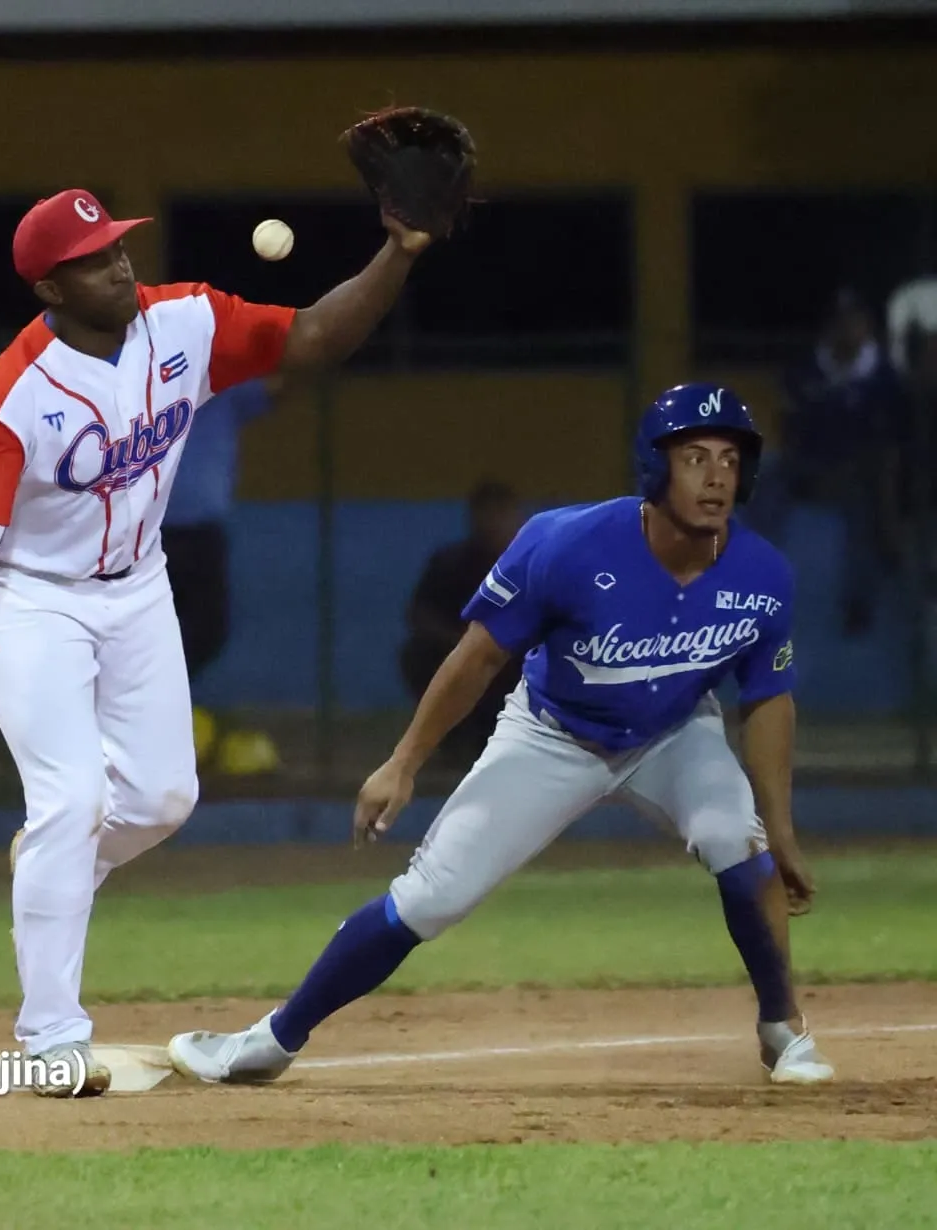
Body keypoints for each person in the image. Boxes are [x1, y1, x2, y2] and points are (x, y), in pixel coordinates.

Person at [168, 383, 835, 1089]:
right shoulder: (566, 543)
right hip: (552, 736)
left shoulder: (764, 575)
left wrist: (781, 831)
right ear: (655, 466)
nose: (716, 475)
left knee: (737, 839)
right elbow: (477, 658)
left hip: (675, 734)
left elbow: (768, 701)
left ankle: (783, 1028)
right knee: (429, 898)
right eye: (695, 457)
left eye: (730, 458)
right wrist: (403, 762)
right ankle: (270, 1041)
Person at [0, 187, 438, 1097]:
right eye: (93, 260)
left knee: (164, 798)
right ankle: (51, 1036)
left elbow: (313, 338)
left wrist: (398, 253)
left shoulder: (185, 322)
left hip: (138, 587)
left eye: (117, 246)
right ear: (49, 288)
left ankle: (54, 863)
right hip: (34, 601)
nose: (118, 264)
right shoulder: (12, 391)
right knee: (71, 797)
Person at [750, 288, 904, 635]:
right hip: (808, 465)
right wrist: (807, 469)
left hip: (859, 472)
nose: (847, 329)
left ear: (868, 327)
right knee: (767, 483)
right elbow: (788, 428)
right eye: (840, 322)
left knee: (865, 511)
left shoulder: (883, 376)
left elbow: (887, 447)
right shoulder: (805, 369)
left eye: (855, 321)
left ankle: (858, 604)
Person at [162, 374, 283, 774]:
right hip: (142, 533)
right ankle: (134, 709)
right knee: (136, 630)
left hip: (202, 534)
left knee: (209, 630)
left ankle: (150, 703)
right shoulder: (133, 379)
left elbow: (282, 382)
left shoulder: (218, 385)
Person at [399, 478, 525, 763]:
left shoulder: (533, 565)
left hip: (517, 660)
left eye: (502, 514)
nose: (494, 523)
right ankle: (450, 741)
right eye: (487, 514)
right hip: (458, 653)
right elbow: (420, 613)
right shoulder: (451, 562)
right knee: (418, 656)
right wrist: (462, 643)